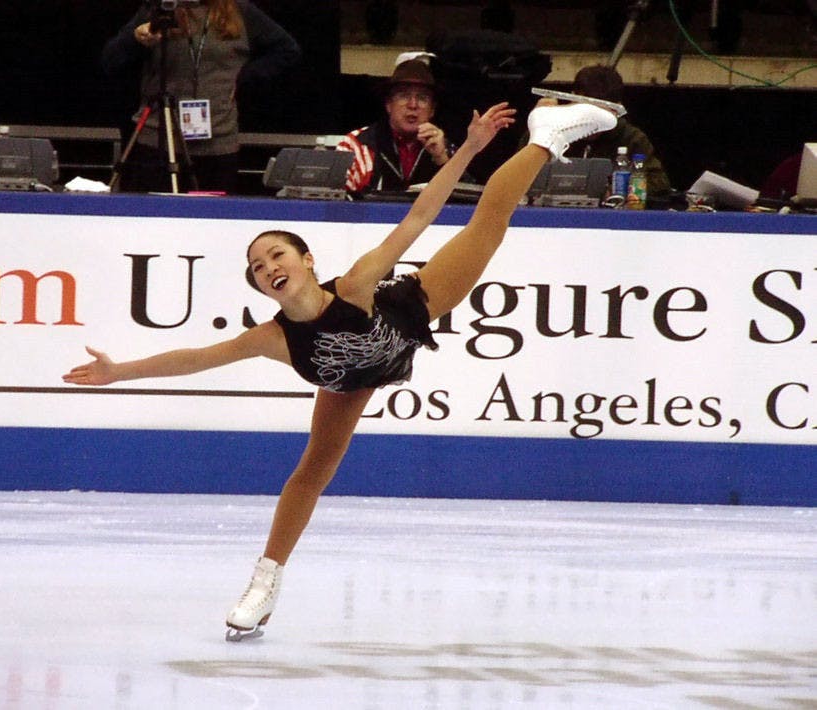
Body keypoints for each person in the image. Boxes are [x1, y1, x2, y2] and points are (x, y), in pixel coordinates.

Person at [62, 99, 617, 639]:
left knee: (487, 226)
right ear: (258, 285)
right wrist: (121, 372)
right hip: (350, 381)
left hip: (408, 314)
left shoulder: (355, 284)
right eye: (258, 266)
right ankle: (265, 582)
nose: (268, 267)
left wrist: (469, 148)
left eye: (277, 255)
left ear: (307, 261)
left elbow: (421, 214)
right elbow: (196, 358)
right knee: (311, 473)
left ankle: (546, 134)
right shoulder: (272, 338)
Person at [102, 0, 301, 193]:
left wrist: (243, 78)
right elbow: (111, 60)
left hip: (218, 140)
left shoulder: (239, 10)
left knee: (214, 218)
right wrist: (135, 39)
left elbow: (287, 50)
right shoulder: (157, 8)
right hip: (158, 139)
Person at [520, 64, 671, 196]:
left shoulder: (631, 138)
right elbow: (517, 172)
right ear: (572, 99)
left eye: (602, 116)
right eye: (587, 114)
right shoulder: (548, 131)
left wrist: (616, 188)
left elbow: (659, 183)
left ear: (617, 109)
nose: (593, 124)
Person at [336, 57, 463, 196]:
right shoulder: (356, 145)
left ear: (432, 110)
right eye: (403, 96)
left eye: (422, 98)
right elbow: (337, 203)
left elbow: (471, 203)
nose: (413, 105)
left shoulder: (446, 149)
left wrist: (441, 159)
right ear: (389, 105)